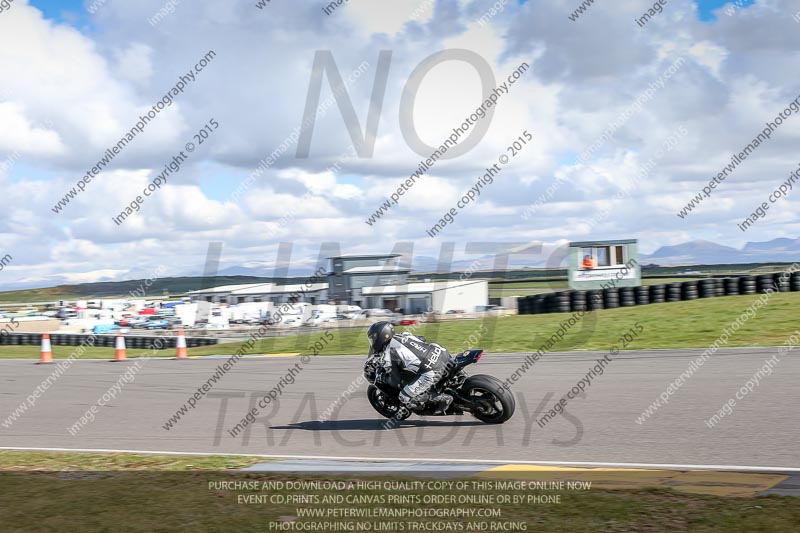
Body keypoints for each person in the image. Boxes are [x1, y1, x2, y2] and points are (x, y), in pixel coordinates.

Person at [365, 321, 453, 414]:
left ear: (382, 336)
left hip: (433, 371)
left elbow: (396, 381)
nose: (372, 342)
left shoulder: (389, 354)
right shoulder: (403, 335)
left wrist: (383, 377)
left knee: (404, 397)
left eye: (373, 338)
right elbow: (422, 338)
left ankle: (442, 399)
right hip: (442, 353)